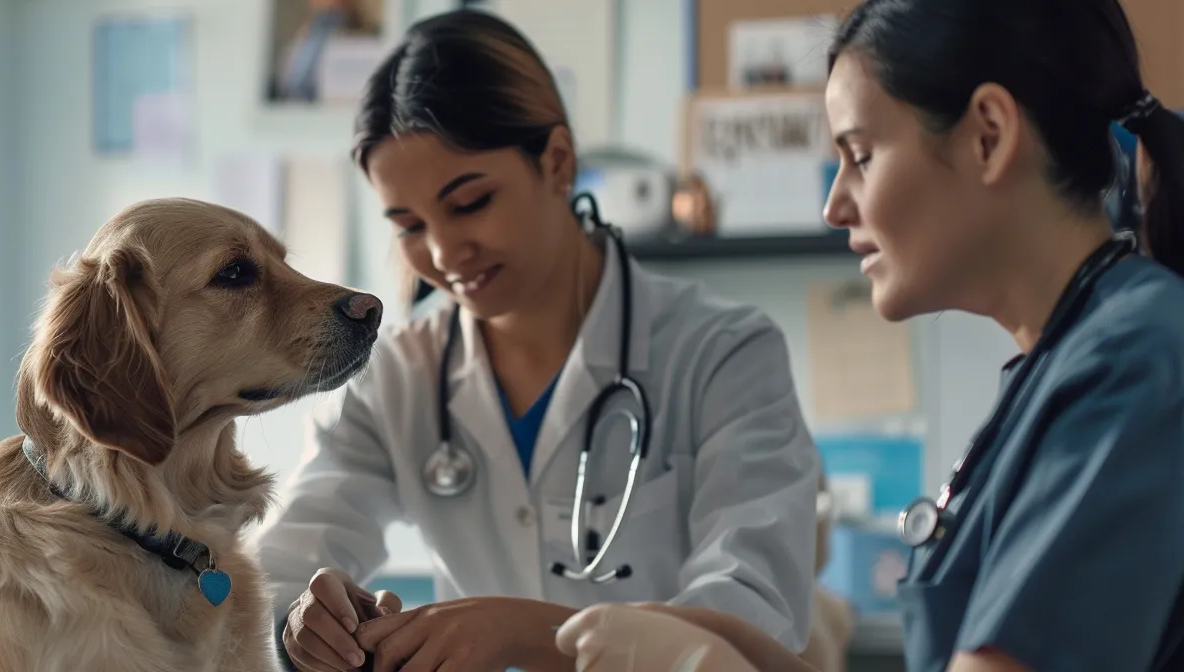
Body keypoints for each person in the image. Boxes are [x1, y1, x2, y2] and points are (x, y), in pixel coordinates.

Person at [250, 9, 822, 672]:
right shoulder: (399, 379)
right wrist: (302, 620)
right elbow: (280, 564)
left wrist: (536, 634)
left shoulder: (723, 355)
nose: (443, 252)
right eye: (408, 224)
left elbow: (757, 613)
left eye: (470, 203)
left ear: (556, 163)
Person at [819, 0, 1184, 670]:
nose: (834, 204)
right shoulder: (1088, 355)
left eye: (861, 155)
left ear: (988, 136)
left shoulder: (1139, 366)